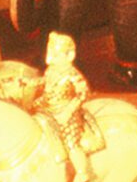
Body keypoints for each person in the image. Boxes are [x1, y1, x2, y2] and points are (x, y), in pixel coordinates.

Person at [35, 31, 102, 161]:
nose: (49, 59)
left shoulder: (73, 75)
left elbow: (83, 94)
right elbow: (44, 80)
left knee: (70, 142)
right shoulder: (51, 70)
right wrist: (28, 82)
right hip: (48, 106)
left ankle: (83, 172)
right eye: (49, 54)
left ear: (70, 55)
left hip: (68, 112)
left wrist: (68, 110)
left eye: (55, 55)